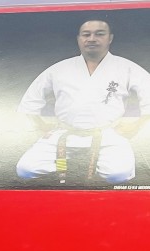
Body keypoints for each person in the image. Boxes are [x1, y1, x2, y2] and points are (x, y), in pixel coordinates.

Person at [17, 19, 150, 185]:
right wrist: (39, 125)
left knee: (119, 174)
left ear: (110, 38)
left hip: (108, 134)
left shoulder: (126, 67)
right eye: (86, 34)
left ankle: (83, 169)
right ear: (79, 39)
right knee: (26, 169)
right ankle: (66, 168)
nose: (92, 38)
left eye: (99, 34)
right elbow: (30, 100)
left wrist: (137, 125)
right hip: (65, 133)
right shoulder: (59, 68)